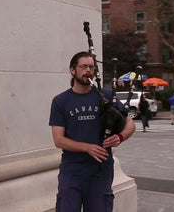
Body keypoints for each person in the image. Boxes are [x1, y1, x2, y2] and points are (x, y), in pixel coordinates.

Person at [49, 51, 136, 212]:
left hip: (100, 171)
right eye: (83, 66)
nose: (88, 70)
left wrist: (120, 136)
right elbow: (58, 140)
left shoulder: (107, 96)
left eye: (91, 67)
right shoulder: (60, 101)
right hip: (72, 170)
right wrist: (87, 147)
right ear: (72, 70)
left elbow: (130, 125)